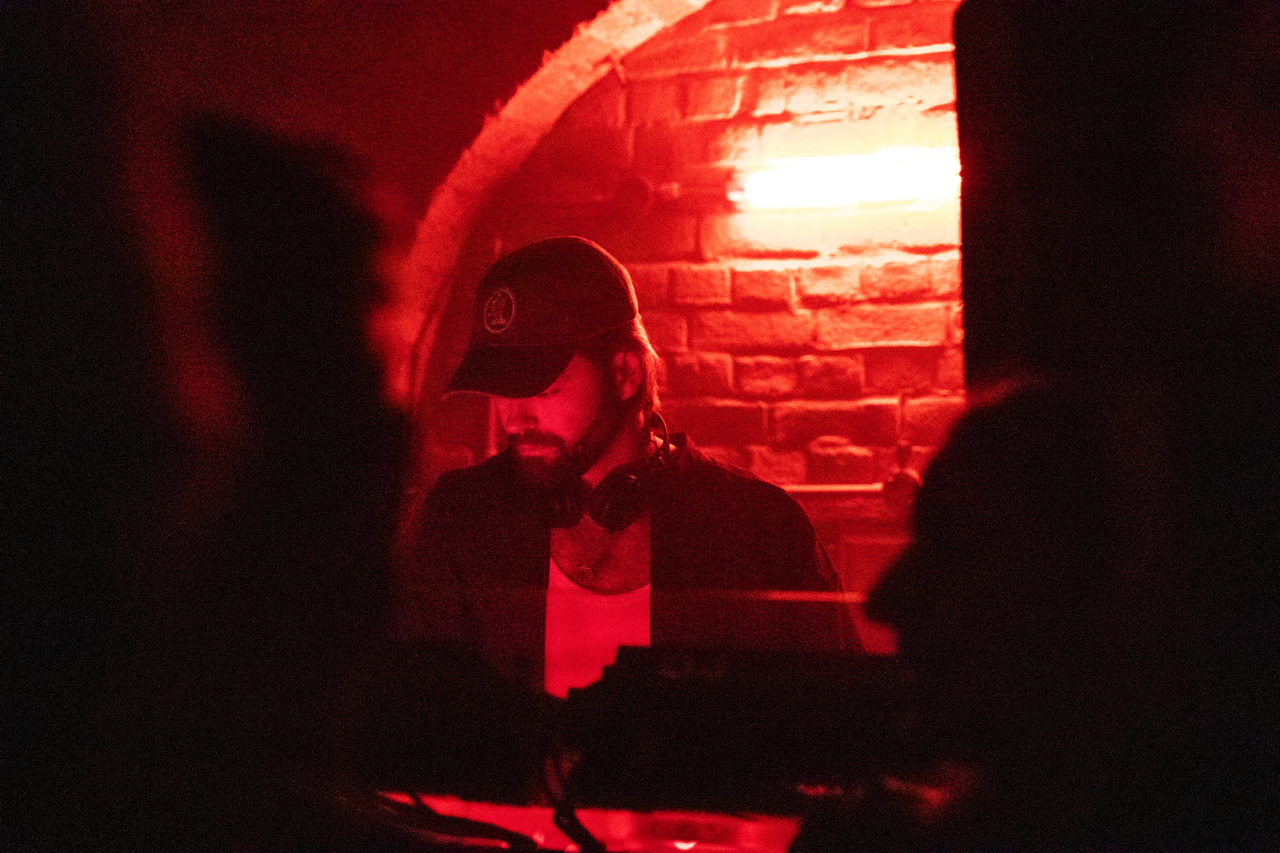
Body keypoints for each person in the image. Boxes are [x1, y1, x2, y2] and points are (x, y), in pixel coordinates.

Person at [398, 236, 854, 699]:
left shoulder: (759, 529)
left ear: (625, 373)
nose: (514, 418)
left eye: (542, 390)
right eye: (500, 391)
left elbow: (841, 728)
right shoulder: (461, 519)